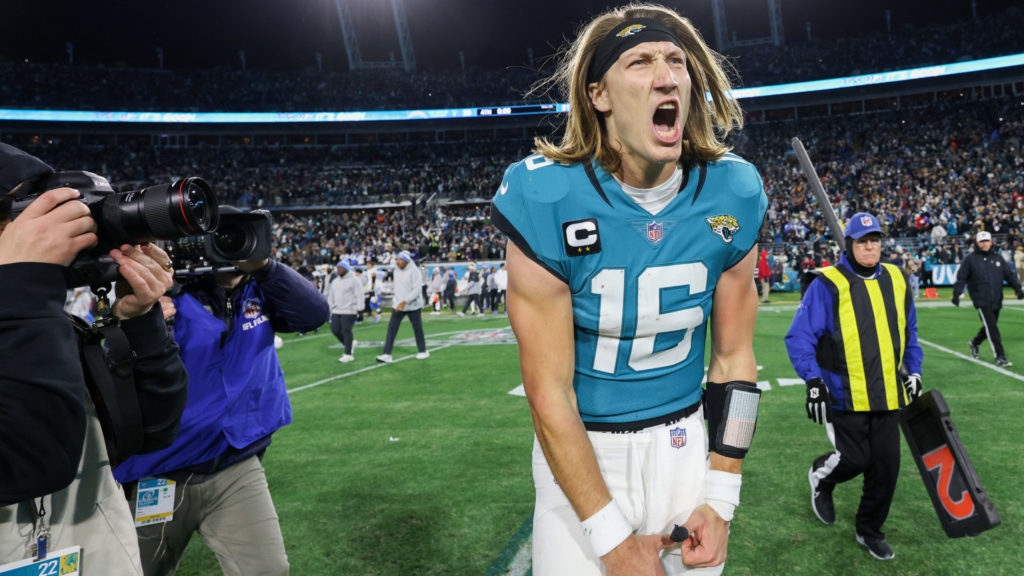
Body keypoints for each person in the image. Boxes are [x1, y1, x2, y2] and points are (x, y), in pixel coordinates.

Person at [491, 5, 766, 574]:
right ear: (599, 95)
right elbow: (549, 395)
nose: (666, 76)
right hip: (583, 456)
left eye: (675, 61)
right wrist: (611, 541)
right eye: (640, 62)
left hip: (686, 447)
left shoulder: (733, 192)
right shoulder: (546, 196)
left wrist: (722, 496)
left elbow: (735, 359)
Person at [1, 142, 189, 573]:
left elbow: (152, 432)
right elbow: (31, 462)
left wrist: (139, 321)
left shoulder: (47, 324)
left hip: (98, 553)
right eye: (21, 212)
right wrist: (22, 285)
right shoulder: (28, 313)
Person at [113, 216, 329, 576]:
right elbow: (116, 367)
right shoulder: (163, 297)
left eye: (237, 236)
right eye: (217, 238)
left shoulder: (259, 291)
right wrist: (137, 318)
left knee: (268, 570)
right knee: (136, 572)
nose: (228, 245)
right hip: (158, 471)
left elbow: (314, 314)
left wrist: (264, 266)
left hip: (234, 463)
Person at [784, 212, 924, 561]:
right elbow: (800, 336)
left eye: (875, 239)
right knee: (856, 459)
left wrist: (915, 369)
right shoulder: (827, 283)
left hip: (888, 394)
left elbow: (909, 333)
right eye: (862, 240)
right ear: (849, 244)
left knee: (887, 467)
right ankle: (822, 477)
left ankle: (869, 530)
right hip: (844, 394)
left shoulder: (897, 278)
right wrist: (813, 381)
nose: (870, 245)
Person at [952, 230, 1023, 367]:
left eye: (986, 241)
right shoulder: (970, 259)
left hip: (996, 298)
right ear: (977, 243)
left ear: (991, 242)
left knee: (990, 327)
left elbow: (1009, 275)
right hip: (981, 299)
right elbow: (961, 277)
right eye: (981, 241)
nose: (984, 244)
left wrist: (1017, 289)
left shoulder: (998, 258)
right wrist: (956, 294)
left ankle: (975, 342)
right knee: (992, 328)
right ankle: (1000, 356)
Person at [376, 250, 429, 363]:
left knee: (417, 329)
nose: (397, 262)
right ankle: (386, 354)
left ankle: (423, 351)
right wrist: (397, 302)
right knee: (391, 330)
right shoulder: (396, 270)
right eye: (396, 259)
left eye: (400, 260)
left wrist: (405, 301)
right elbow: (399, 288)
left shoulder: (415, 271)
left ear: (406, 261)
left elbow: (416, 290)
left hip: (413, 306)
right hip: (398, 305)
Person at [327, 260, 364, 362]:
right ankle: (349, 344)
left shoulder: (354, 280)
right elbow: (331, 296)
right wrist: (329, 309)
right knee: (335, 330)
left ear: (346, 269)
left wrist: (360, 310)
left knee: (346, 330)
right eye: (338, 268)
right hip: (336, 310)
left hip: (349, 310)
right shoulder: (335, 281)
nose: (339, 270)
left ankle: (348, 354)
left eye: (341, 268)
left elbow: (360, 295)